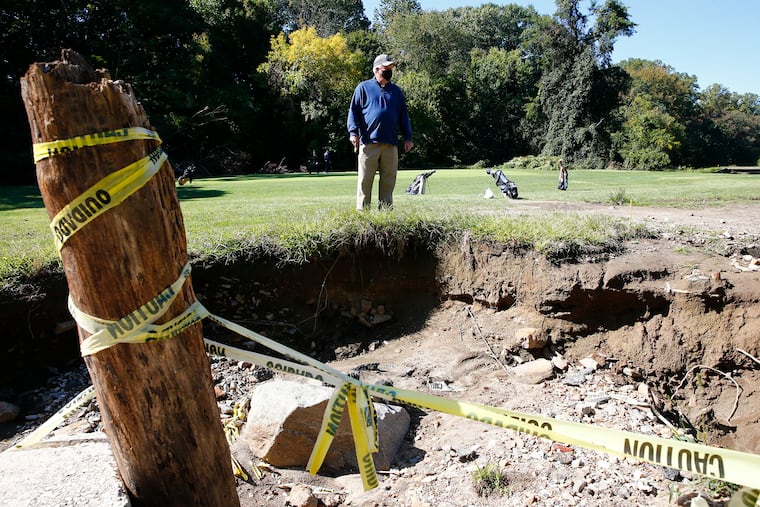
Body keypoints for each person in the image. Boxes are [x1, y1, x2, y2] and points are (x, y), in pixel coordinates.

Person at [347, 54, 413, 210]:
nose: (389, 71)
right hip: (369, 142)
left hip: (390, 142)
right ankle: (363, 214)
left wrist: (408, 137)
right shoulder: (363, 88)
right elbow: (353, 112)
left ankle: (385, 213)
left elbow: (403, 116)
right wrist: (353, 132)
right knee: (365, 180)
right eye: (386, 68)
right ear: (376, 69)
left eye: (391, 68)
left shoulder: (396, 91)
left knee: (388, 180)